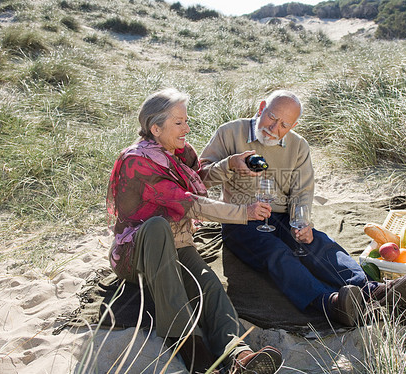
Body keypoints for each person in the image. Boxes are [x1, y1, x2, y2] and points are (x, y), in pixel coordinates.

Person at [198, 89, 406, 326]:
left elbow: (302, 192)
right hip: (241, 219)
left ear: (293, 125)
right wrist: (230, 165)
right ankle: (332, 303)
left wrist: (302, 223)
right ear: (261, 107)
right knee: (278, 254)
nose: (274, 128)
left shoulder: (298, 146)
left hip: (283, 216)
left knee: (318, 243)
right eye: (272, 118)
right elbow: (199, 178)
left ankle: (373, 291)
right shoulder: (229, 132)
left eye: (284, 125)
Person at [106, 88, 283, 374]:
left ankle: (238, 353)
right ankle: (192, 347)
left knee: (209, 285)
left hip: (177, 243)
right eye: (179, 123)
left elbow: (194, 180)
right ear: (156, 128)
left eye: (186, 121)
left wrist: (229, 165)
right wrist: (244, 213)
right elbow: (189, 204)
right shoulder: (136, 162)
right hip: (137, 252)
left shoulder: (180, 152)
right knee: (156, 226)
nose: (187, 128)